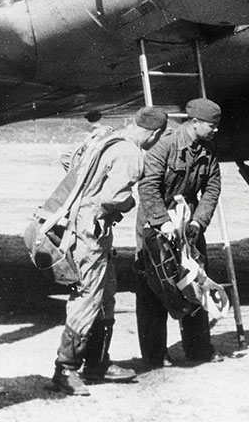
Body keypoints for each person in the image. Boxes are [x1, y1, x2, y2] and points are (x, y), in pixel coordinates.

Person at [49, 107, 169, 396]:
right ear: (155, 134)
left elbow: (67, 157)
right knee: (88, 297)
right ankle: (65, 369)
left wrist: (85, 188)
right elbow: (114, 197)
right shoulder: (132, 154)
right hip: (92, 232)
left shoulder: (105, 137)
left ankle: (97, 363)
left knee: (106, 293)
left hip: (82, 225)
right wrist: (126, 204)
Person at [135, 97, 223, 366]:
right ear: (194, 123)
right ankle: (154, 354)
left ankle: (198, 349)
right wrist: (162, 221)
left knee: (195, 278)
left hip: (188, 223)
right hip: (156, 222)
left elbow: (212, 188)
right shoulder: (165, 145)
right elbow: (148, 186)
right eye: (211, 125)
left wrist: (198, 222)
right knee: (155, 284)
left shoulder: (207, 150)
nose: (216, 130)